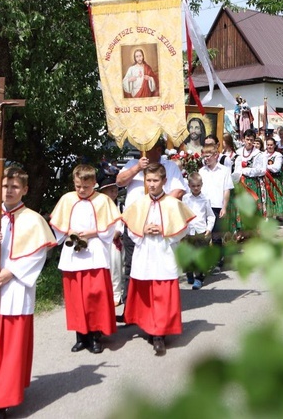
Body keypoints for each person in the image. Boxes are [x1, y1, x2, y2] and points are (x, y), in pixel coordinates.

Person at [0, 166, 57, 419]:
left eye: (15, 187)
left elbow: (38, 255)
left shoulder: (34, 220)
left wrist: (11, 271)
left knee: (11, 346)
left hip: (16, 290)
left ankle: (0, 403)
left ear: (25, 189)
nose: (9, 191)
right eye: (5, 186)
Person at [122, 163, 195, 355]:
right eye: (148, 180)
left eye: (155, 180)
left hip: (164, 252)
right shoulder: (138, 203)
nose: (152, 184)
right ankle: (150, 327)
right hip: (145, 251)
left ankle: (160, 335)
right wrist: (142, 230)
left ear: (164, 181)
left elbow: (183, 229)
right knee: (147, 292)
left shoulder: (173, 203)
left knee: (163, 293)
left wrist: (165, 231)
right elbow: (130, 228)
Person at [49, 164, 121, 355]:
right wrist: (68, 232)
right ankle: (81, 336)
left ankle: (96, 336)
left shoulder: (103, 200)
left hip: (95, 252)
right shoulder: (67, 199)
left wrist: (93, 232)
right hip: (73, 255)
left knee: (94, 297)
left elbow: (110, 228)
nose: (82, 190)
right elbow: (58, 227)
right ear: (74, 182)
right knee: (76, 298)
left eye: (86, 187)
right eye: (78, 186)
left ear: (94, 184)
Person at [116, 137, 188, 291]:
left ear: (158, 150)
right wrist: (137, 168)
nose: (144, 151)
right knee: (131, 264)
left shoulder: (170, 166)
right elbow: (119, 182)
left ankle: (158, 303)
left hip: (160, 223)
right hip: (135, 222)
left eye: (147, 148)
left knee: (159, 265)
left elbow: (178, 190)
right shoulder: (132, 164)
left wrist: (158, 206)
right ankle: (130, 308)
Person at [199, 142, 234, 267]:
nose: (206, 158)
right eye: (204, 156)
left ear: (216, 155)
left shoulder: (224, 171)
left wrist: (224, 207)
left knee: (217, 235)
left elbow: (226, 190)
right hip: (203, 207)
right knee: (203, 234)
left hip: (217, 206)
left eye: (209, 156)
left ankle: (218, 260)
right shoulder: (201, 171)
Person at [182, 172, 216, 289]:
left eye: (198, 186)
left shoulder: (205, 198)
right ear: (189, 185)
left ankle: (199, 278)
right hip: (188, 231)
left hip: (201, 230)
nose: (196, 188)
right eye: (193, 186)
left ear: (202, 185)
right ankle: (189, 272)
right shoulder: (185, 198)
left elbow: (210, 215)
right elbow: (183, 214)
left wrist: (209, 228)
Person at [232, 128, 267, 234]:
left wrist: (244, 170)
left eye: (252, 140)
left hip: (252, 183)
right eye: (247, 139)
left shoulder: (259, 154)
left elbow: (261, 170)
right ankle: (240, 230)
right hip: (240, 182)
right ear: (243, 139)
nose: (249, 142)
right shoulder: (238, 152)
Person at [97, 175, 125, 306]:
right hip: (100, 240)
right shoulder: (97, 205)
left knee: (116, 267)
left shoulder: (120, 205)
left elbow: (121, 221)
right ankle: (103, 293)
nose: (114, 193)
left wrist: (118, 231)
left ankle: (117, 294)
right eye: (110, 191)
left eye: (115, 190)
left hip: (114, 240)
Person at [264, 137, 283, 220]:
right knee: (267, 196)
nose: (269, 147)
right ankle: (269, 213)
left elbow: (277, 167)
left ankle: (279, 214)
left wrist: (266, 167)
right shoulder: (263, 154)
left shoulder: (278, 155)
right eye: (268, 145)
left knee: (276, 195)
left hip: (275, 178)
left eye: (271, 145)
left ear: (274, 145)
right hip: (266, 179)